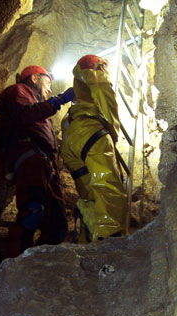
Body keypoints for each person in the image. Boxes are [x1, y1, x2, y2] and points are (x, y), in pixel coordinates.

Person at [0, 65, 74, 258]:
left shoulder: (40, 109)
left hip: (45, 165)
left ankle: (40, 265)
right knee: (33, 211)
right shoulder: (18, 91)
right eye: (47, 82)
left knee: (58, 224)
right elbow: (23, 115)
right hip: (29, 157)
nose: (49, 89)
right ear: (34, 79)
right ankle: (13, 264)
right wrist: (59, 100)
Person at [60, 54, 128, 243]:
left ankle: (87, 241)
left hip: (71, 136)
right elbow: (104, 94)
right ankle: (109, 239)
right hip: (91, 132)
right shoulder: (93, 72)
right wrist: (112, 132)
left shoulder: (78, 87)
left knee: (89, 195)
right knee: (107, 187)